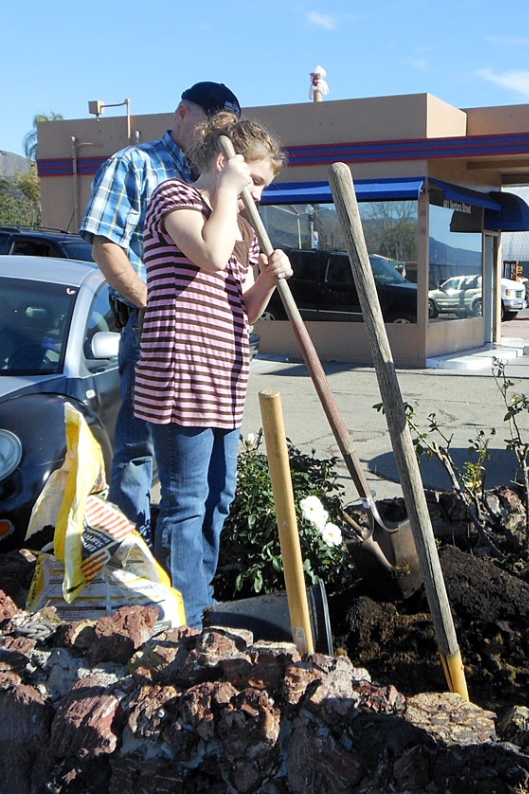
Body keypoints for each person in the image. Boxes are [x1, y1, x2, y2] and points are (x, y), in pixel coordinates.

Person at [134, 113, 290, 628]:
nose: (259, 197)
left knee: (218, 500)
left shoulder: (236, 224)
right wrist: (228, 191)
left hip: (224, 380)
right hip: (181, 377)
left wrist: (265, 278)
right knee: (185, 502)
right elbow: (208, 253)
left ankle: (196, 597)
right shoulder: (173, 197)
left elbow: (240, 311)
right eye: (257, 183)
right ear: (226, 165)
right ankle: (187, 621)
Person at [80, 82, 242, 541]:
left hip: (208, 342)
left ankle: (177, 563)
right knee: (136, 447)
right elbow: (106, 245)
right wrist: (152, 302)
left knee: (196, 474)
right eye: (215, 126)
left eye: (229, 130)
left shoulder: (215, 177)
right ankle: (129, 554)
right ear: (183, 113)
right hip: (153, 330)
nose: (221, 138)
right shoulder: (137, 164)